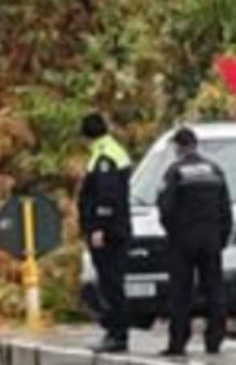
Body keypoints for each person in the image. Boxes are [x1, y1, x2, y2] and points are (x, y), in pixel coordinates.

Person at [156, 127, 232, 357]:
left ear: (178, 147)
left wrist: (173, 234)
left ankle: (178, 342)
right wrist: (221, 239)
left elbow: (165, 209)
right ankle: (214, 340)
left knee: (181, 293)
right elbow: (225, 210)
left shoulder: (175, 171)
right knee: (215, 291)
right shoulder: (215, 170)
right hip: (211, 239)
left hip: (183, 240)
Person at [80, 114, 136, 353]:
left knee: (111, 283)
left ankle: (117, 334)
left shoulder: (104, 156)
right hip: (117, 228)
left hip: (110, 232)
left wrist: (99, 228)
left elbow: (106, 194)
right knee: (112, 282)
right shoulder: (113, 150)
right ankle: (115, 330)